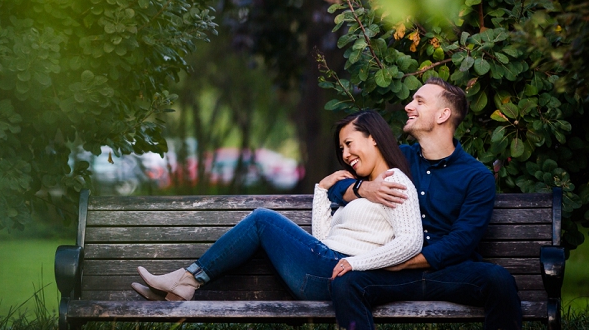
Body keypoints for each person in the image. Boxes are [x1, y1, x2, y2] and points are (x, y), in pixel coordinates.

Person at [131, 111, 423, 302]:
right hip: (325, 269)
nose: (345, 155)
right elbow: (322, 242)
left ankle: (188, 279)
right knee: (263, 221)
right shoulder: (363, 191)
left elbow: (411, 242)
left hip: (340, 273)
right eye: (342, 149)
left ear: (373, 137)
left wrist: (353, 263)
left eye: (349, 144)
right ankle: (181, 287)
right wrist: (321, 191)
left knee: (263, 220)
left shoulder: (393, 181)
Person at [327, 78, 522, 330]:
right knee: (346, 283)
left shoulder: (477, 177)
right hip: (393, 273)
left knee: (498, 279)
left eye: (419, 101)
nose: (409, 106)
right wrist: (364, 188)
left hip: (448, 272)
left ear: (443, 115)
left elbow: (462, 241)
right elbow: (336, 187)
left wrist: (405, 261)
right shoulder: (397, 158)